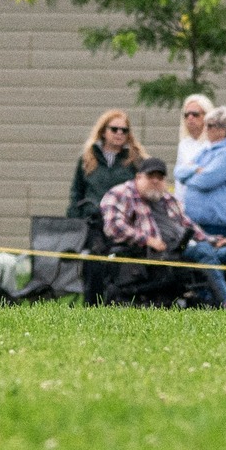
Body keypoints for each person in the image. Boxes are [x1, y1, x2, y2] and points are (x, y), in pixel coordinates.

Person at [100, 157, 226, 309]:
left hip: (187, 247)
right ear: (139, 177)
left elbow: (188, 225)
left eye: (160, 177)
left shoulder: (167, 199)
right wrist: (147, 239)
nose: (156, 181)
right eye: (151, 176)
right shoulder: (121, 193)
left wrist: (214, 241)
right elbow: (113, 226)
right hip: (159, 255)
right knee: (202, 250)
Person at [68, 109, 144, 306]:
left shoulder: (134, 160)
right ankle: (91, 305)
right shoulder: (88, 158)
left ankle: (117, 303)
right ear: (103, 131)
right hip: (93, 222)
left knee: (120, 264)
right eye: (114, 129)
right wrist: (74, 222)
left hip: (123, 223)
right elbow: (77, 193)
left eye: (124, 130)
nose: (119, 133)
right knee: (94, 263)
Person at [178, 105, 226, 239]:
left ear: (223, 130)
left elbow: (205, 181)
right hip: (196, 222)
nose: (205, 129)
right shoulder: (207, 151)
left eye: (210, 126)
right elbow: (179, 172)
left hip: (218, 224)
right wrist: (196, 169)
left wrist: (189, 177)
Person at [174, 95, 214, 179]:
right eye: (186, 114)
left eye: (195, 114)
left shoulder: (214, 143)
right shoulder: (184, 144)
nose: (190, 117)